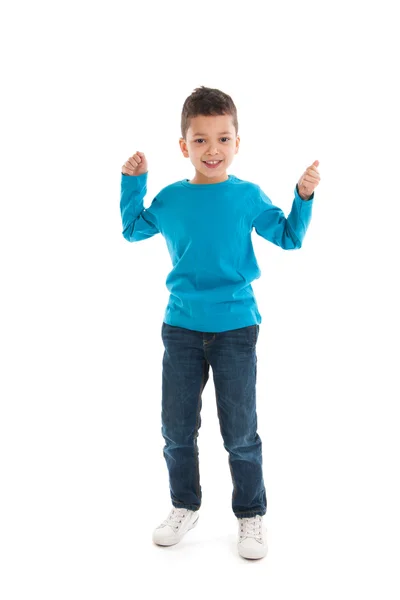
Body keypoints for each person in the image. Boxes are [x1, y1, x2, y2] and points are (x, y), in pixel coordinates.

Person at [119, 86, 320, 560]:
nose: (213, 150)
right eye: (202, 140)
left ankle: (250, 515)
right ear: (184, 146)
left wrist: (303, 196)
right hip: (182, 328)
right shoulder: (170, 199)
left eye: (223, 139)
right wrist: (134, 182)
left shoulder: (247, 196)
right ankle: (183, 504)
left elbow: (289, 237)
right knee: (176, 428)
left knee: (240, 431)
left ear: (237, 143)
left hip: (235, 328)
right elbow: (132, 229)